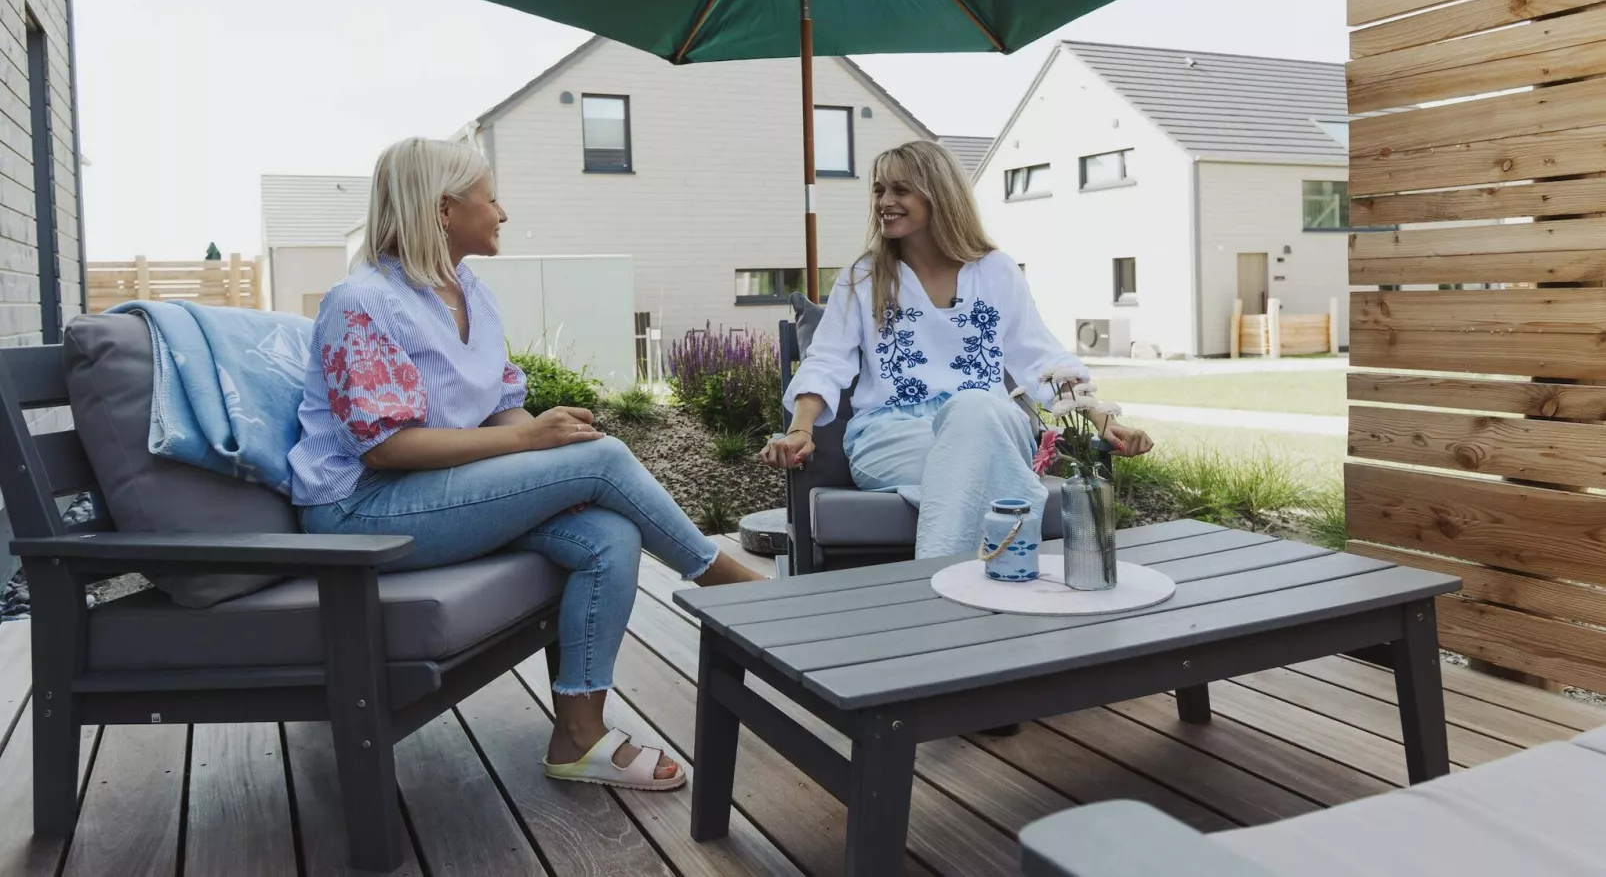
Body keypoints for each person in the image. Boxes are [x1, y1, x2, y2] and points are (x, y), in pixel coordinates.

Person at [291, 137, 763, 791]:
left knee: (609, 533)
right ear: (445, 210)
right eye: (491, 199)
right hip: (360, 509)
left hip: (436, 492)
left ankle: (578, 737)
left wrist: (554, 446)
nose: (503, 212)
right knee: (604, 460)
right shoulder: (362, 301)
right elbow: (386, 447)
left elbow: (500, 410)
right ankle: (732, 587)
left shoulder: (472, 294)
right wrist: (536, 447)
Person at [761, 140, 1154, 558]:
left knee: (974, 412)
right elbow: (826, 361)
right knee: (979, 451)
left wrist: (1102, 420)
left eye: (900, 190)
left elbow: (1041, 357)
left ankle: (941, 578)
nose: (884, 202)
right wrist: (800, 428)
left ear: (938, 195)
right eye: (879, 191)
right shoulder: (864, 277)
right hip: (893, 437)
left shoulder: (996, 271)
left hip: (992, 423)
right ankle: (1002, 569)